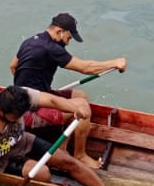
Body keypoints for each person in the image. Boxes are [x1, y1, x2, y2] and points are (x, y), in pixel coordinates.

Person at [0, 85, 118, 186]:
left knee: (68, 161)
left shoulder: (21, 95)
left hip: (22, 141)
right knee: (43, 174)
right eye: (15, 116)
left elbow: (51, 100)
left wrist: (74, 109)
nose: (19, 118)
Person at [10, 13, 126, 168]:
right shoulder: (51, 48)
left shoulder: (30, 41)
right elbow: (86, 68)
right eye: (69, 38)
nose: (68, 43)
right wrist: (115, 63)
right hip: (28, 113)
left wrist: (32, 85)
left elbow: (13, 66)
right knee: (82, 107)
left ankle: (63, 147)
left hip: (27, 98)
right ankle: (80, 155)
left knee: (80, 95)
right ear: (59, 31)